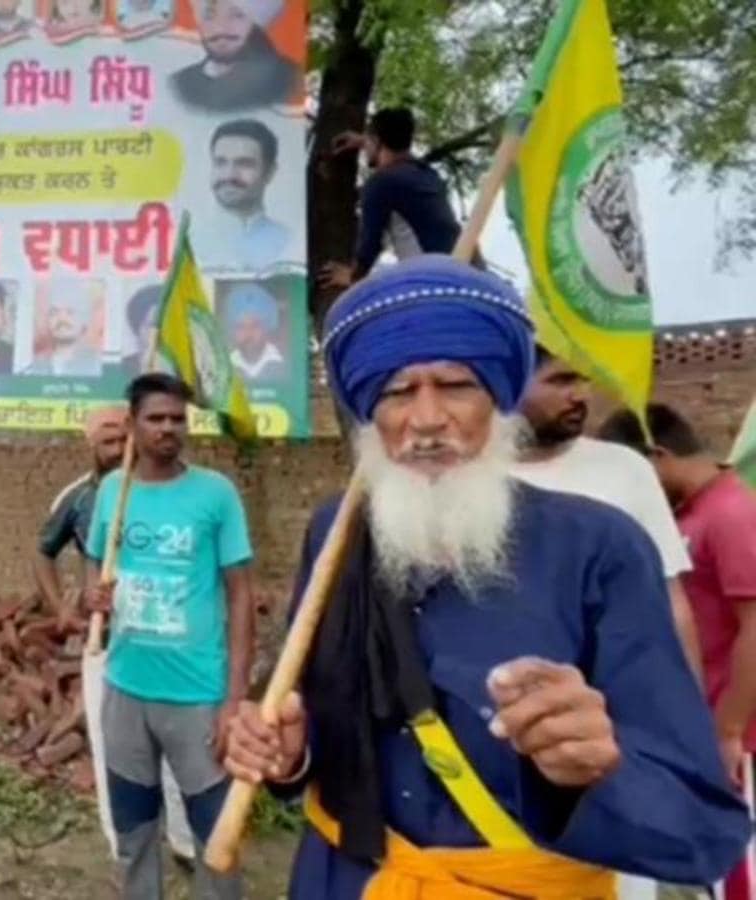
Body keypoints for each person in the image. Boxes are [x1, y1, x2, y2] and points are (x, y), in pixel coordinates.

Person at [223, 255, 748, 898]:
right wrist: (290, 753)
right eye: (395, 392)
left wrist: (597, 767)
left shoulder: (601, 547)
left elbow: (701, 832)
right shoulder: (335, 533)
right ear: (369, 414)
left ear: (498, 401)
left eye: (455, 385)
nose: (426, 419)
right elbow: (311, 724)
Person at [81, 372, 257, 900]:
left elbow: (241, 596)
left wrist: (234, 699)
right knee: (134, 834)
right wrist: (93, 595)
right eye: (155, 418)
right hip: (125, 690)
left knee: (216, 838)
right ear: (132, 424)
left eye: (177, 418)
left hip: (197, 697)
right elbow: (94, 562)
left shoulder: (215, 494)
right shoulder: (115, 490)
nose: (167, 428)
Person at [597, 403, 756, 898]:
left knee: (741, 877)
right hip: (710, 729)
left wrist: (727, 731)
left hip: (741, 739)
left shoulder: (732, 512)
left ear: (657, 456)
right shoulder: (691, 514)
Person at [37, 408, 201, 869]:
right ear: (93, 446)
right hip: (105, 644)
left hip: (167, 643)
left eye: (124, 438)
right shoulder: (79, 498)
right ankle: (125, 848)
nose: (119, 450)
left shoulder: (175, 493)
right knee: (113, 749)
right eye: (108, 442)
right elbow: (42, 553)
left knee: (179, 743)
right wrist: (61, 609)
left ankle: (186, 841)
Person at [511, 346, 702, 687]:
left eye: (585, 380)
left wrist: (693, 713)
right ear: (508, 381)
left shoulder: (625, 468)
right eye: (561, 380)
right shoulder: (471, 482)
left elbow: (670, 601)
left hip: (624, 693)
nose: (580, 395)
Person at [318, 108, 464, 291]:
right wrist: (365, 141)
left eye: (369, 138)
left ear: (378, 141)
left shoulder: (381, 183)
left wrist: (352, 277)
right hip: (467, 270)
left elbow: (369, 248)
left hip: (437, 282)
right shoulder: (428, 175)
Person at [191, 119, 292, 272]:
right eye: (220, 162)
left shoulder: (289, 242)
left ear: (270, 172)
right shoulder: (190, 242)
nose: (229, 175)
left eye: (244, 164)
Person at [169, 0, 298, 114]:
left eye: (237, 15)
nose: (220, 28)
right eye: (209, 16)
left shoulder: (286, 80)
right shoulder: (184, 83)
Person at [27, 284, 102, 376]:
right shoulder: (34, 365)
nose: (62, 319)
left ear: (84, 319)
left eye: (70, 312)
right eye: (54, 312)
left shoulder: (98, 364)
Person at [225, 283, 286, 383]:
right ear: (233, 331)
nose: (248, 333)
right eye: (241, 327)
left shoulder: (281, 366)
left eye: (255, 326)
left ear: (266, 328)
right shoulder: (226, 369)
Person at [121, 285, 162, 374]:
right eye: (152, 326)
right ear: (139, 330)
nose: (160, 334)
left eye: (165, 326)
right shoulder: (122, 369)